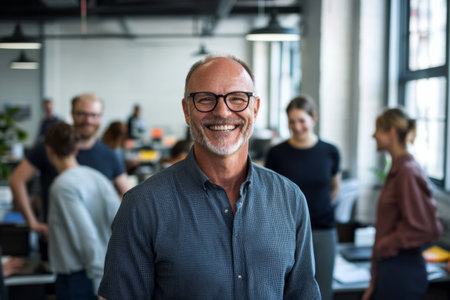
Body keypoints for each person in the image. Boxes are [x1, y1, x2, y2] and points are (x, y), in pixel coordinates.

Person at [98, 55, 320, 299]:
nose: (223, 112)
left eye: (237, 98)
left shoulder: (290, 199)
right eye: (205, 99)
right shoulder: (143, 206)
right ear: (186, 110)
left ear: (255, 108)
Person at [9, 93, 129, 239]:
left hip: (98, 242)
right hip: (55, 240)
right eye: (81, 114)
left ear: (101, 117)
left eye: (94, 115)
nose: (88, 121)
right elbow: (17, 180)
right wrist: (32, 222)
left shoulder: (110, 155)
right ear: (71, 113)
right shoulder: (50, 148)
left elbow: (129, 195)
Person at [265, 95, 341, 300]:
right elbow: (269, 194)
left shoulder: (330, 152)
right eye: (292, 121)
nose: (297, 127)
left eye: (301, 120)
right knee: (286, 290)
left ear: (313, 118)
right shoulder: (276, 153)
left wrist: (317, 209)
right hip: (286, 232)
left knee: (323, 291)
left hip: (322, 230)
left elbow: (334, 188)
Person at [362, 107, 443, 300]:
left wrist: (385, 244)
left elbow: (427, 228)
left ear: (391, 131)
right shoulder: (397, 170)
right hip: (390, 268)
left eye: (378, 129)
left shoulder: (407, 172)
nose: (373, 135)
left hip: (402, 270)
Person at [44, 122, 120, 299]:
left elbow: (86, 237)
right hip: (104, 270)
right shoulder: (97, 177)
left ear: (49, 151)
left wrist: (99, 283)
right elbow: (118, 223)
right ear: (76, 149)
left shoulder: (62, 186)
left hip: (81, 278)